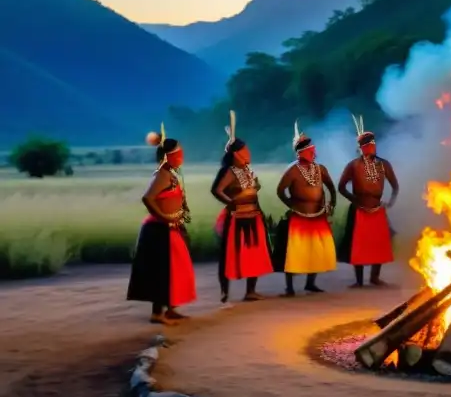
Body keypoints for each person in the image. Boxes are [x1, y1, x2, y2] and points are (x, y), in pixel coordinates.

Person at [127, 124, 197, 324]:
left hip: (171, 228)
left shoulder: (171, 175)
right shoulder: (162, 174)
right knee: (161, 270)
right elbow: (148, 198)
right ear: (169, 156)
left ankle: (171, 309)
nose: (182, 156)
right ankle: (157, 313)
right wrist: (164, 218)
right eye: (179, 152)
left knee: (175, 268)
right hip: (158, 230)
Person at [210, 110, 274, 303]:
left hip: (253, 217)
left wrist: (259, 210)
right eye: (245, 150)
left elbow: (253, 192)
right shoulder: (229, 171)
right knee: (230, 255)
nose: (249, 153)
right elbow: (216, 190)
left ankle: (250, 291)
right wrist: (231, 203)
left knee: (253, 254)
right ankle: (225, 292)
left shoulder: (247, 170)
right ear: (236, 154)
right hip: (235, 219)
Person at [273, 121, 338, 296]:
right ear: (301, 152)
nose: (314, 153)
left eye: (313, 150)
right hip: (299, 216)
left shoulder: (320, 169)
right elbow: (280, 191)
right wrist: (291, 205)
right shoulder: (292, 170)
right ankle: (290, 288)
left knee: (316, 250)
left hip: (317, 216)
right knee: (295, 252)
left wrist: (331, 204)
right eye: (310, 151)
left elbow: (331, 188)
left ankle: (311, 283)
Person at [337, 115, 399, 287]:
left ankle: (374, 277)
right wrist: (354, 200)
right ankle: (359, 280)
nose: (372, 147)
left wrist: (390, 202)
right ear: (361, 148)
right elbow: (341, 187)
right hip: (360, 210)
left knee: (378, 244)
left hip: (378, 209)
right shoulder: (353, 166)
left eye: (373, 144)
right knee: (359, 245)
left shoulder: (383, 165)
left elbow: (395, 185)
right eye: (368, 145)